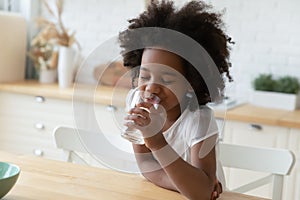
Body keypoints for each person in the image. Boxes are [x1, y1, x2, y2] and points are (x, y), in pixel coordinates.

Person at [118, 0, 233, 199]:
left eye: (166, 79)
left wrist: (156, 142)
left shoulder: (198, 120)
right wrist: (184, 185)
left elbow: (202, 194)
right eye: (145, 77)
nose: (151, 87)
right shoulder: (137, 99)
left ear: (191, 82)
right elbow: (147, 168)